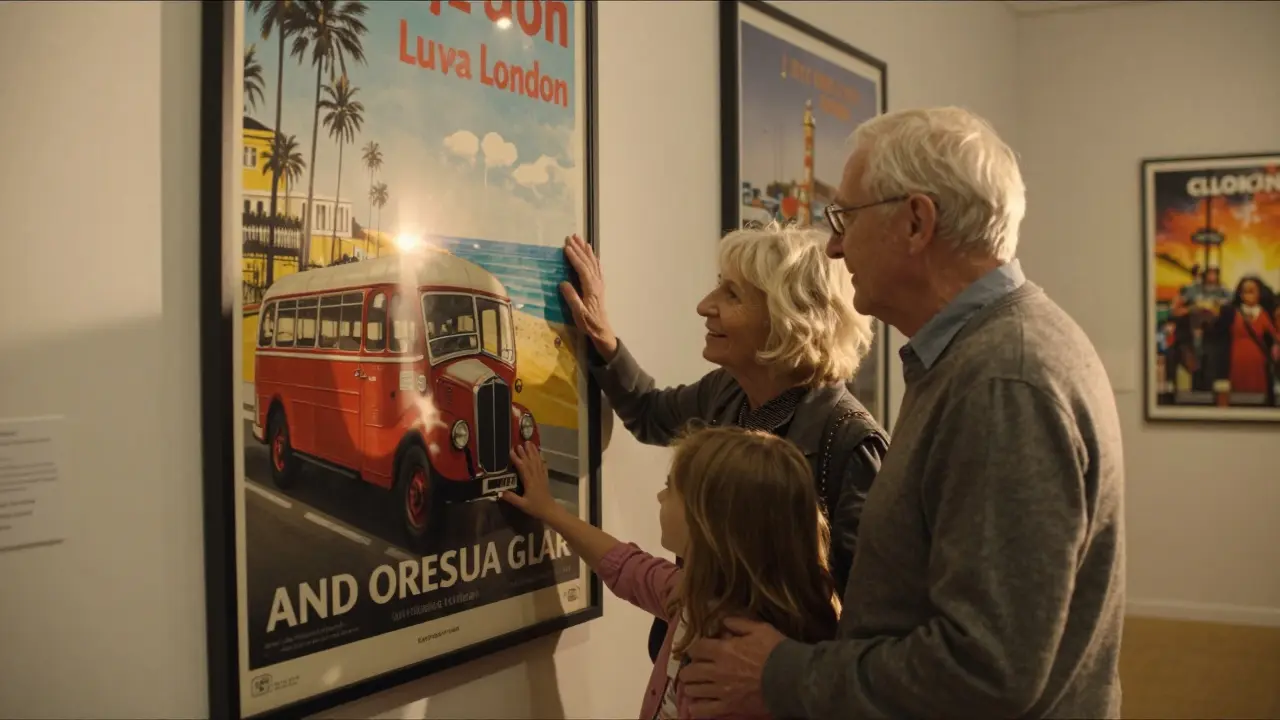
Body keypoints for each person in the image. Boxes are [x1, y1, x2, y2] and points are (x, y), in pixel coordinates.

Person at [679, 106, 1127, 719]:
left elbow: (987, 670)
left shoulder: (1003, 381)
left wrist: (783, 673)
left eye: (846, 218)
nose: (834, 247)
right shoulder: (977, 359)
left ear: (916, 222)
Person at [559, 227, 888, 663]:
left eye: (731, 294)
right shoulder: (727, 391)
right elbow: (650, 415)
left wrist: (775, 674)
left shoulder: (850, 441)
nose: (704, 306)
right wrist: (604, 342)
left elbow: (864, 624)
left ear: (789, 317)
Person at [500, 426, 840, 720]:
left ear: (708, 524)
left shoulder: (731, 666)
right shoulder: (698, 598)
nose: (660, 495)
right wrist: (551, 511)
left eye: (671, 487)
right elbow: (627, 566)